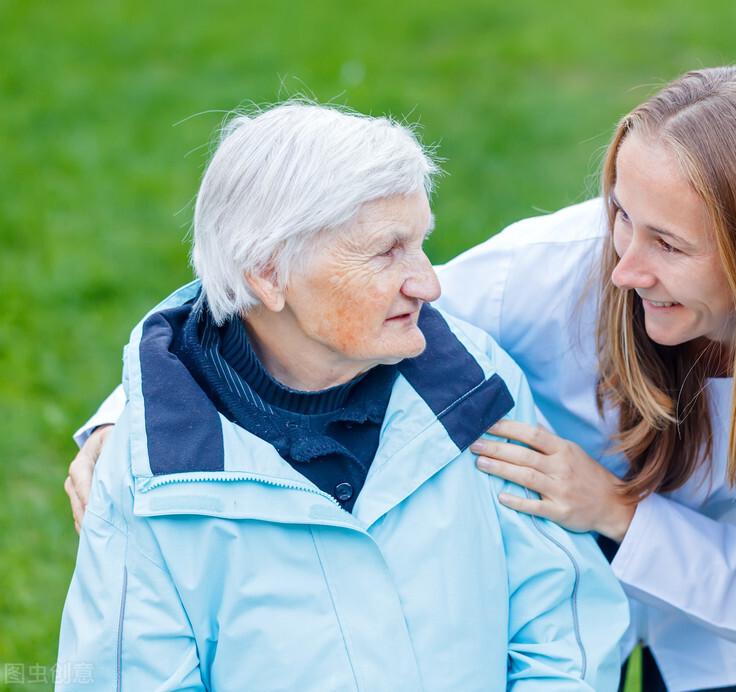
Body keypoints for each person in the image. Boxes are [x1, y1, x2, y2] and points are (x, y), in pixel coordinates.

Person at [67, 67, 736, 691]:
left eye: (667, 245)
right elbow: (315, 303)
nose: (623, 265)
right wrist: (127, 420)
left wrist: (620, 513)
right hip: (538, 564)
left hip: (714, 620)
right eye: (619, 215)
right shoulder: (554, 267)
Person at [57, 101, 628, 691]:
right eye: (387, 250)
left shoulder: (476, 383)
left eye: (421, 242)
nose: (429, 282)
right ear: (268, 274)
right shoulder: (147, 480)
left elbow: (564, 627)